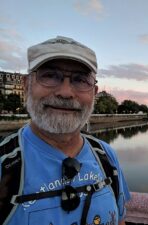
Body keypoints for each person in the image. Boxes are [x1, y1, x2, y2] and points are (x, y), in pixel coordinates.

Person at [0, 36, 130, 225]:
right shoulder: (5, 164)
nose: (66, 92)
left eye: (80, 80)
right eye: (50, 76)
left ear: (94, 93)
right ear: (26, 85)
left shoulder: (106, 156)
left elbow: (119, 220)